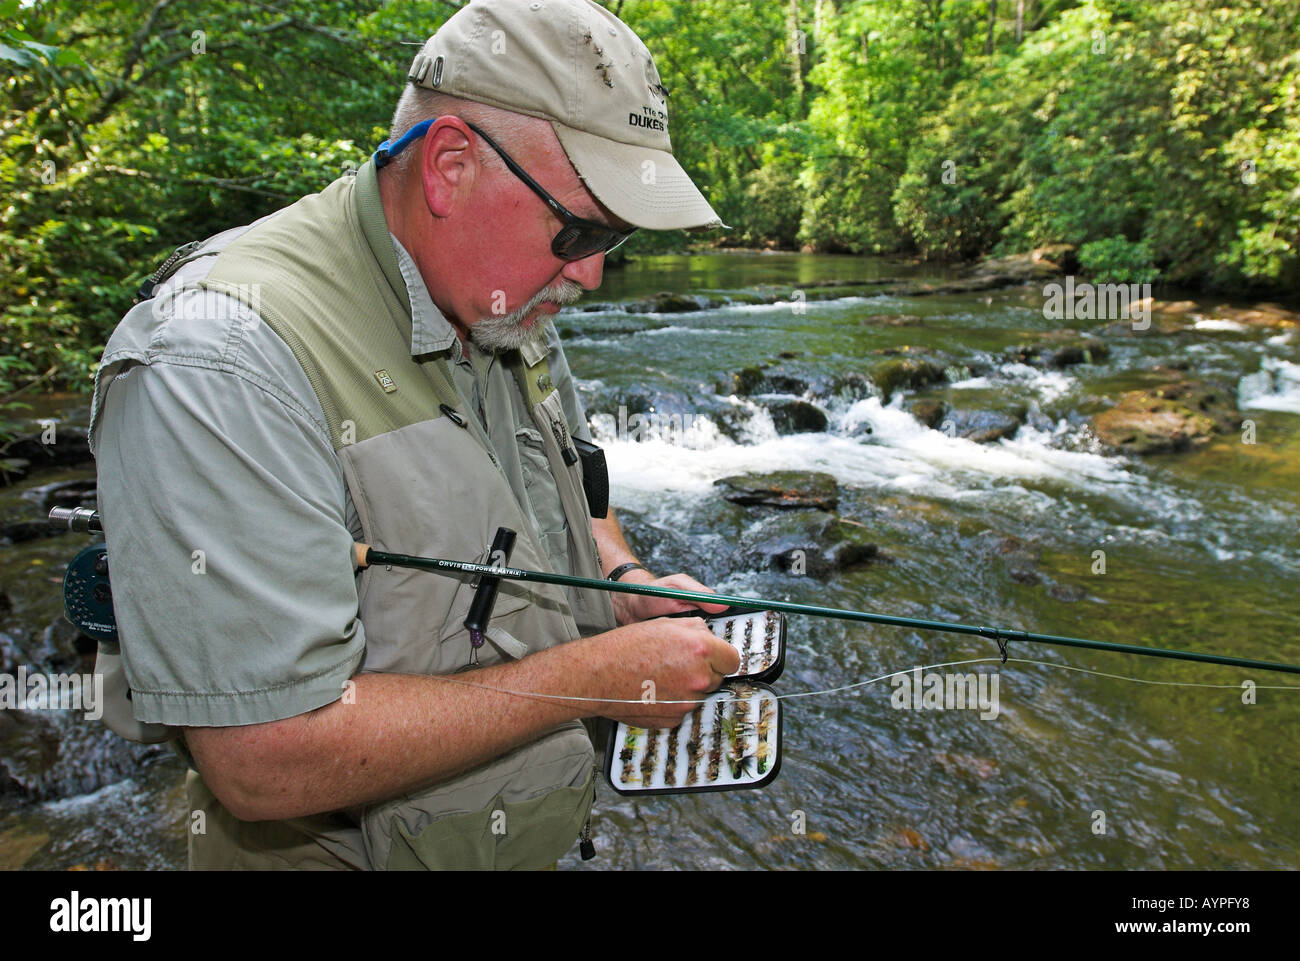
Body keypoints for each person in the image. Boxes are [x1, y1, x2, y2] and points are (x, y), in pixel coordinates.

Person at [88, 0, 738, 870]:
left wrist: (623, 586)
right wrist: (595, 678)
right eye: (580, 229)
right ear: (449, 166)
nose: (590, 272)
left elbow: (576, 502)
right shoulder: (221, 360)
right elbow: (263, 756)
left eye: (612, 236)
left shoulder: (510, 301)